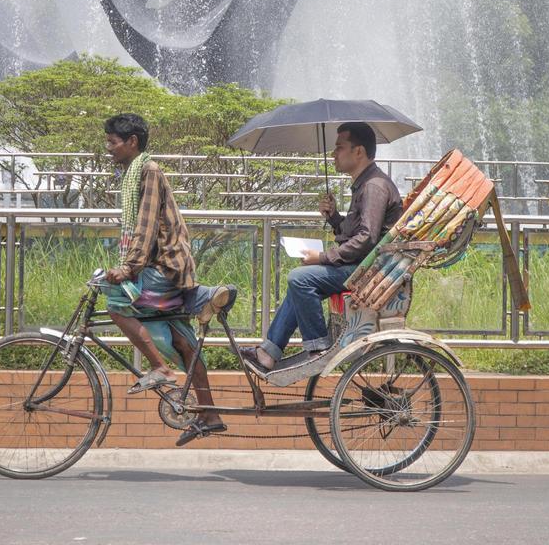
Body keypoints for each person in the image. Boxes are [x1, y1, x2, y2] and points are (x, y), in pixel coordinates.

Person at [101, 113, 235, 446]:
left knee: (115, 301)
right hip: (166, 267)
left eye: (112, 142)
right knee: (182, 340)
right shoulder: (137, 171)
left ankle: (159, 367)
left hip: (164, 267)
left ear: (132, 142)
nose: (108, 148)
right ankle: (210, 415)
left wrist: (129, 268)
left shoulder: (148, 171)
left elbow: (144, 228)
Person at [242, 122, 402, 373]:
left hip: (367, 271)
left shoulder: (374, 186)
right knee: (300, 282)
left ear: (358, 152)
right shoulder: (365, 183)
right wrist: (334, 217)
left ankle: (318, 348)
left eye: (339, 147)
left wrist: (323, 257)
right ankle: (268, 353)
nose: (333, 154)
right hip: (360, 266)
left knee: (300, 279)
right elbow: (355, 232)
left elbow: (367, 239)